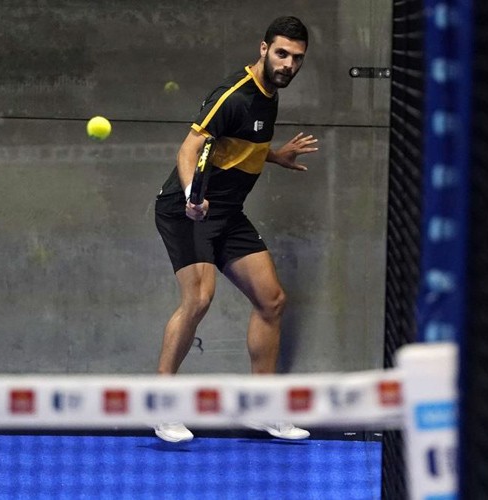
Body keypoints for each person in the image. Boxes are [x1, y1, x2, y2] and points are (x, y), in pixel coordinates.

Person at [153, 16, 318, 443]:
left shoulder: (270, 95)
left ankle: (262, 408)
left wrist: (275, 156)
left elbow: (239, 146)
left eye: (297, 58)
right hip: (185, 209)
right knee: (199, 298)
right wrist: (192, 196)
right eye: (281, 53)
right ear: (263, 49)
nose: (288, 64)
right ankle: (161, 404)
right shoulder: (234, 95)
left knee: (272, 299)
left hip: (226, 212)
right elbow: (189, 148)